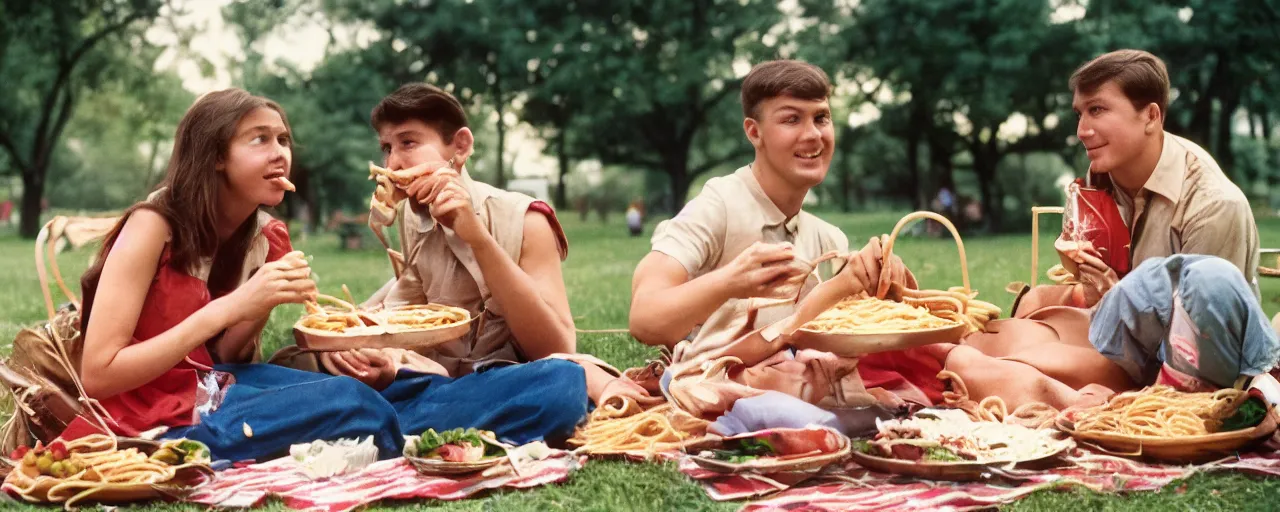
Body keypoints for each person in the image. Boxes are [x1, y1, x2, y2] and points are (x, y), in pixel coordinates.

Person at [270, 83, 653, 443]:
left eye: (408, 143)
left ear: (461, 147)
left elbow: (554, 344)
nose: (394, 162)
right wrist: (370, 356)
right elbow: (404, 314)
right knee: (292, 363)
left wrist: (475, 235)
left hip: (507, 380)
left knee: (561, 389)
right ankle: (380, 416)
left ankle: (364, 420)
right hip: (436, 383)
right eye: (387, 148)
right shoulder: (411, 218)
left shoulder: (527, 220)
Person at [77, 89, 405, 462]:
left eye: (283, 139)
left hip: (211, 384)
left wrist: (263, 300)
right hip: (145, 412)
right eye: (260, 139)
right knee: (356, 406)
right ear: (216, 156)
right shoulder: (152, 226)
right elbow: (98, 375)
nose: (279, 152)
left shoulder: (264, 236)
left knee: (360, 396)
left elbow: (225, 356)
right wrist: (231, 307)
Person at [938, 50, 1278, 409]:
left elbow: (1201, 347)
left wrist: (1114, 299)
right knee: (984, 342)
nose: (1082, 130)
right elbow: (1114, 286)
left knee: (988, 365)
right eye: (1079, 113)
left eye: (1097, 110)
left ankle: (1037, 385)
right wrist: (1088, 279)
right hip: (1128, 334)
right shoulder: (1102, 177)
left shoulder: (1213, 206)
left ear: (1150, 116)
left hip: (1188, 364)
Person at [629, 60, 936, 423]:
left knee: (950, 358)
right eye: (792, 119)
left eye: (821, 118)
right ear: (754, 133)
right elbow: (644, 319)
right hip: (727, 383)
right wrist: (730, 282)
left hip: (803, 378)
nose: (813, 135)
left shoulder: (828, 238)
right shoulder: (718, 206)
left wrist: (883, 285)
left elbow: (847, 336)